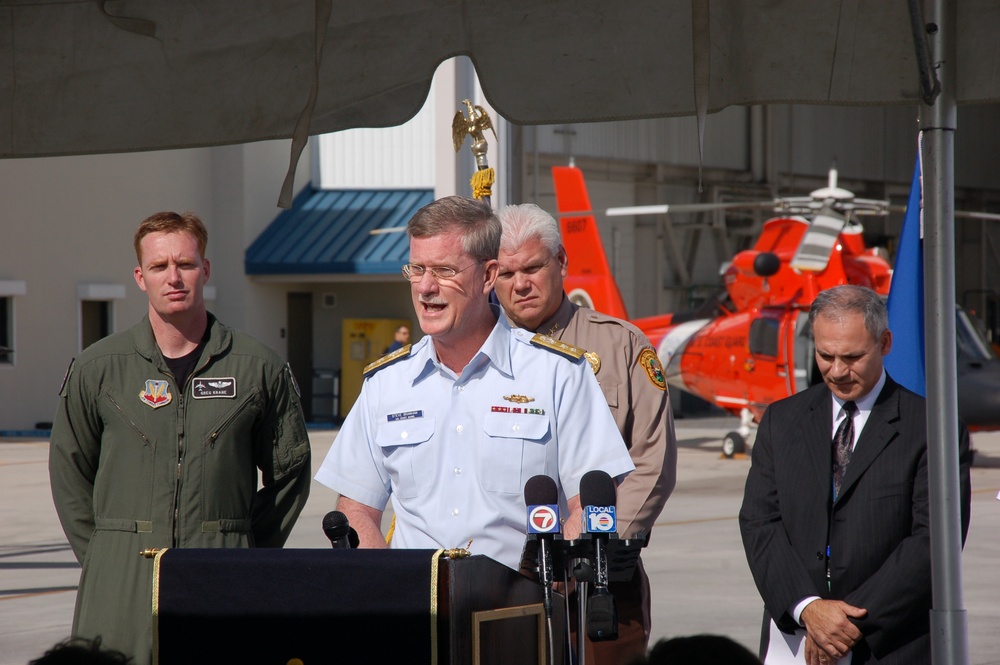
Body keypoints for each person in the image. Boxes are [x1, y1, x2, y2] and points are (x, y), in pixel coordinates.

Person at [314, 196, 634, 570]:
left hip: (522, 610)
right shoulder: (386, 383)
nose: (426, 287)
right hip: (416, 611)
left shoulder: (559, 373)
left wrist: (554, 580)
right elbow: (356, 509)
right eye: (416, 270)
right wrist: (388, 587)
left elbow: (590, 502)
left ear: (487, 275)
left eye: (445, 271)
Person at [49, 212, 312, 665]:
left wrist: (242, 547)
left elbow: (290, 473)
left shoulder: (257, 368)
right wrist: (106, 556)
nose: (174, 277)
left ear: (205, 270)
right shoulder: (98, 369)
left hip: (222, 576)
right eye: (159, 266)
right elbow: (69, 471)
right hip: (119, 583)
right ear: (140, 276)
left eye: (186, 264)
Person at [738, 285, 971, 665]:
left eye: (852, 357)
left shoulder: (932, 427)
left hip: (890, 643)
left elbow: (933, 539)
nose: (837, 371)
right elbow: (759, 522)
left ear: (885, 343)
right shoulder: (781, 421)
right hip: (797, 641)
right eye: (825, 355)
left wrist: (845, 623)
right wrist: (809, 608)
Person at [493, 203, 677, 664]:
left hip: (601, 578)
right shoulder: (474, 357)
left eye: (533, 267)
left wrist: (592, 545)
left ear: (562, 262)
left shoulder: (621, 345)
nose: (521, 283)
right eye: (507, 272)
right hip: (501, 577)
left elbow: (653, 460)